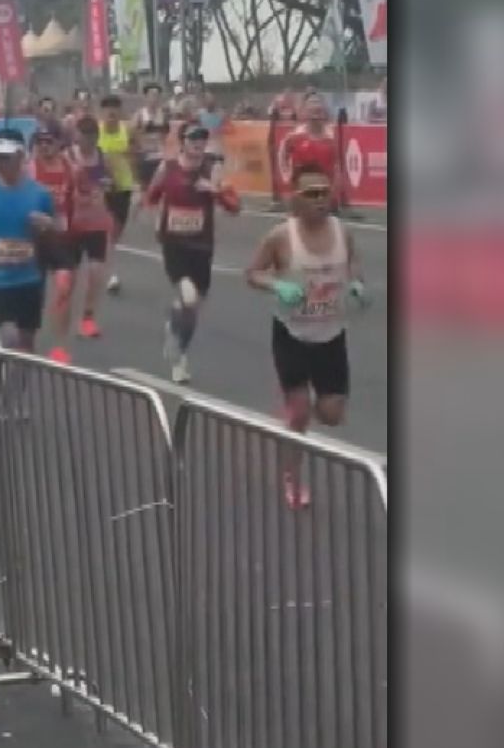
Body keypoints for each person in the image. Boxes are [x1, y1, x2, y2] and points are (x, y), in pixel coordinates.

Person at [244, 163, 368, 509]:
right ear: (295, 199)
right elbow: (252, 273)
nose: (319, 200)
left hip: (331, 336)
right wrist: (276, 284)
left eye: (324, 192)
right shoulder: (281, 237)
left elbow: (354, 260)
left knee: (331, 414)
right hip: (292, 334)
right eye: (311, 194)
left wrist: (356, 282)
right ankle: (292, 477)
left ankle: (299, 411)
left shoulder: (342, 232)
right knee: (299, 414)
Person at [144, 123, 241, 384]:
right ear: (182, 142)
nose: (199, 142)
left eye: (203, 138)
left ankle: (177, 340)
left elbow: (235, 206)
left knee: (192, 308)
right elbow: (151, 197)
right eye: (193, 138)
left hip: (202, 246)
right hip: (174, 245)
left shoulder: (213, 169)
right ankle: (179, 359)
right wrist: (157, 220)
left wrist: (215, 190)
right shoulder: (168, 168)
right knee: (189, 297)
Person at [0, 130, 56, 352]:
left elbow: (59, 227)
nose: (0, 162)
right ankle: (6, 374)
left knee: (26, 342)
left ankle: (17, 382)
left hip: (30, 278)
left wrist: (47, 224)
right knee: (9, 336)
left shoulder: (40, 194)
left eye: (6, 157)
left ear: (21, 156)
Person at [28, 125, 81, 362]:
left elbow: (81, 199)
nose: (44, 146)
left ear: (59, 144)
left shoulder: (72, 169)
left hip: (62, 239)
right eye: (39, 141)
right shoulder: (29, 169)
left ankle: (60, 346)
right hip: (34, 241)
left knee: (63, 287)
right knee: (33, 296)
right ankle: (27, 337)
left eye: (48, 141)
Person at [64, 116, 118, 339]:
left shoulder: (101, 156)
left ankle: (87, 318)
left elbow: (112, 180)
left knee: (96, 272)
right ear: (77, 136)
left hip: (96, 221)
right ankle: (64, 311)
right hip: (73, 223)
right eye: (84, 137)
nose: (88, 143)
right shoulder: (67, 157)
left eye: (92, 138)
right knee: (70, 277)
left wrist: (107, 184)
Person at [94, 95, 138, 293]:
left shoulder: (127, 130)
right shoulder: (96, 132)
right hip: (103, 188)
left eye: (115, 109)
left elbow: (136, 153)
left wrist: (138, 183)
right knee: (109, 230)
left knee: (117, 231)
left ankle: (103, 259)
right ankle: (111, 274)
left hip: (124, 186)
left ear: (120, 112)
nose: (111, 113)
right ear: (103, 112)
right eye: (108, 110)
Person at [278, 90, 341, 211]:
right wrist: (287, 177)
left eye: (318, 103)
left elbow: (337, 166)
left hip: (324, 196)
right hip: (301, 197)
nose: (315, 107)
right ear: (305, 111)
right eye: (311, 104)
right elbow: (282, 155)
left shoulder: (331, 137)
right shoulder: (295, 136)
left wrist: (334, 192)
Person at [132, 83, 172, 187]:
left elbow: (167, 134)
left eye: (157, 95)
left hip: (160, 155)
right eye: (152, 95)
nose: (155, 98)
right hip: (145, 156)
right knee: (145, 186)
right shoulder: (139, 115)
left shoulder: (164, 115)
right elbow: (132, 134)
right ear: (146, 97)